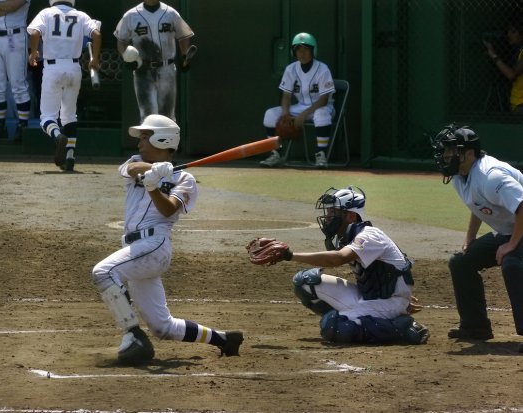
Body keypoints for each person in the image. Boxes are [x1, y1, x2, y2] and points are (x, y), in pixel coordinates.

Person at [91, 114, 244, 365]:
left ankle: (133, 335)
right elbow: (129, 169)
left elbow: (168, 210)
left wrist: (154, 186)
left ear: (163, 139)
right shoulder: (136, 162)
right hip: (134, 247)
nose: (139, 143)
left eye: (144, 137)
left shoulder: (184, 179)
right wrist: (154, 171)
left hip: (154, 246)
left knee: (103, 272)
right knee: (163, 327)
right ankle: (225, 339)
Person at [247, 186, 430, 345]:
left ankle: (402, 327)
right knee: (305, 282)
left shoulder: (370, 235)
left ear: (351, 216)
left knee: (335, 327)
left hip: (388, 302)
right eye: (328, 212)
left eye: (333, 213)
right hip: (371, 296)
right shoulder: (346, 236)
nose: (328, 217)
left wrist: (290, 255)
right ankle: (357, 318)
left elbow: (337, 259)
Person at [430, 124, 523, 352]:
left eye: (451, 151)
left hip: (517, 231)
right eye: (445, 151)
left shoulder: (491, 176)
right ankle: (476, 327)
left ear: (469, 153)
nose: (445, 156)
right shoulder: (460, 177)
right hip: (512, 231)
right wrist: (470, 238)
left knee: (513, 264)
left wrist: (511, 245)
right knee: (462, 262)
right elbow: (478, 205)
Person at [27, 0, 101, 171]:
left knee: (47, 118)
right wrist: (95, 59)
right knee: (69, 116)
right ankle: (70, 156)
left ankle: (58, 135)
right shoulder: (81, 15)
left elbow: (35, 32)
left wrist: (33, 52)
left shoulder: (46, 13)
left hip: (53, 67)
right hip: (74, 67)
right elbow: (96, 34)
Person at [260, 32, 335, 168]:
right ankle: (275, 153)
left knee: (321, 114)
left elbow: (324, 100)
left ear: (313, 50)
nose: (302, 53)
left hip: (321, 107)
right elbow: (286, 96)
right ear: (294, 52)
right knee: (270, 114)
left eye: (306, 49)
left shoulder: (322, 69)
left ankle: (321, 155)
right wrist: (285, 113)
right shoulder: (291, 69)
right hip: (300, 107)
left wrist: (303, 115)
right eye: (298, 49)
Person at [114, 0, 195, 122]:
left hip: (167, 68)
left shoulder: (170, 13)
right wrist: (126, 57)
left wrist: (184, 55)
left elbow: (184, 36)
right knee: (147, 116)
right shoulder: (130, 15)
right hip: (142, 69)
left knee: (167, 116)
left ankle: (168, 141)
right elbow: (121, 41)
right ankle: (147, 141)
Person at [0, 0, 32, 142]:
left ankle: (22, 126)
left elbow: (13, 6)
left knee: (18, 83)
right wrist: (5, 9)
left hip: (14, 37)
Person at [483, 16, 523, 113]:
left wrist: (493, 55)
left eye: (513, 31)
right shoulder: (518, 51)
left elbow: (511, 74)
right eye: (508, 31)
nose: (509, 34)